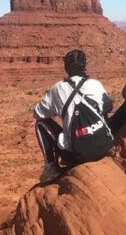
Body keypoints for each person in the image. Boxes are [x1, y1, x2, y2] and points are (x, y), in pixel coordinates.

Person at [34, 49, 113, 183]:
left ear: (66, 67)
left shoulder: (57, 88)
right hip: (104, 147)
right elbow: (108, 107)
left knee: (40, 123)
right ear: (85, 65)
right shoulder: (95, 84)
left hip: (76, 155)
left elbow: (37, 113)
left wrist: (59, 110)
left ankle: (51, 167)